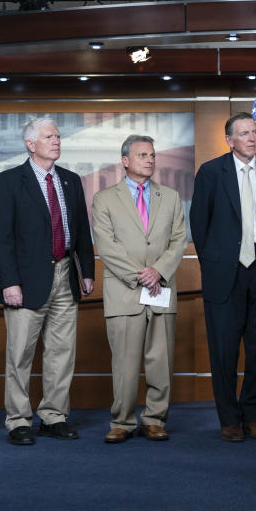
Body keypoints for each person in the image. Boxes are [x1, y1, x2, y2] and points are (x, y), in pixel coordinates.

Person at [0, 118, 95, 446]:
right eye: (49, 136)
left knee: (62, 352)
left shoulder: (71, 181)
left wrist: (87, 271)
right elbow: (1, 238)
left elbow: (81, 232)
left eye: (58, 136)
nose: (57, 141)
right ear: (30, 144)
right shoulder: (8, 182)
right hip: (24, 280)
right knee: (20, 354)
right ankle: (18, 421)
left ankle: (53, 416)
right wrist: (8, 282)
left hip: (65, 275)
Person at [189, 112, 256, 442]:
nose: (252, 138)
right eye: (244, 133)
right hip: (225, 273)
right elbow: (199, 224)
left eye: (255, 132)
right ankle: (229, 419)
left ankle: (255, 416)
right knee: (224, 351)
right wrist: (214, 264)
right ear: (230, 140)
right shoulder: (210, 172)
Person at [92, 135, 187, 444]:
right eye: (142, 155)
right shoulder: (105, 198)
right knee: (124, 363)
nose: (150, 160)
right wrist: (140, 274)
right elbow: (107, 247)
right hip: (125, 290)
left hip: (161, 288)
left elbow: (178, 240)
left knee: (161, 360)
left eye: (152, 155)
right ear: (125, 161)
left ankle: (155, 419)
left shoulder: (171, 197)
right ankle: (121, 421)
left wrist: (158, 271)